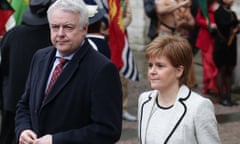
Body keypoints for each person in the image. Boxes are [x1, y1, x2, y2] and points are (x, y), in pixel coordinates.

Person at [15, 0, 122, 143]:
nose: (60, 33)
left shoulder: (102, 69)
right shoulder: (40, 57)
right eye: (55, 27)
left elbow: (108, 130)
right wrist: (23, 129)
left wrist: (56, 140)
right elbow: (24, 105)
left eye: (68, 27)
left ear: (84, 29)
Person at [138, 35, 221, 144]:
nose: (152, 71)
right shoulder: (144, 100)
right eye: (150, 65)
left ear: (179, 71)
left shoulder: (198, 107)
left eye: (160, 66)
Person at [0, 0, 53, 143]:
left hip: (13, 102)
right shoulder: (58, 38)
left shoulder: (13, 35)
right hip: (43, 104)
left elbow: (4, 67)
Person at [213, 0, 239, 106]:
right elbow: (223, 25)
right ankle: (221, 97)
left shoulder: (232, 13)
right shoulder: (218, 12)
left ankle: (229, 96)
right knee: (222, 70)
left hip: (231, 45)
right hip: (222, 45)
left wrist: (237, 29)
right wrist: (236, 21)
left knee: (229, 70)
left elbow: (234, 28)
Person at [195, 0, 219, 94]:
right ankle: (208, 86)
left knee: (214, 63)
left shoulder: (219, 5)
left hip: (216, 39)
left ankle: (214, 85)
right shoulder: (203, 7)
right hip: (205, 38)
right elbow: (198, 19)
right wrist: (208, 24)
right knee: (208, 64)